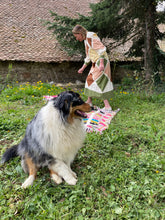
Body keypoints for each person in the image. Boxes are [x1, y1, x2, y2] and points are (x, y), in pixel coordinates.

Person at [72, 24, 113, 112]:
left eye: (76, 36)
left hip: (101, 61)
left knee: (100, 82)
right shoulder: (86, 40)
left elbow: (101, 49)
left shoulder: (91, 36)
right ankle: (89, 101)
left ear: (80, 33)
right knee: (89, 80)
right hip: (95, 62)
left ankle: (107, 107)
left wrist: (101, 63)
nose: (76, 39)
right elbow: (89, 56)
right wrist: (83, 68)